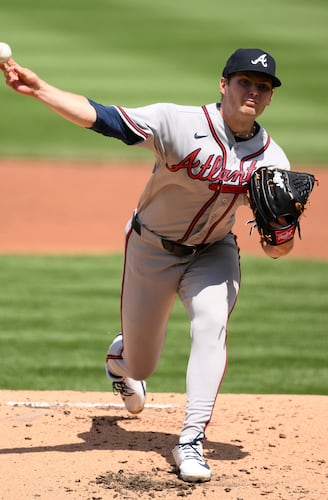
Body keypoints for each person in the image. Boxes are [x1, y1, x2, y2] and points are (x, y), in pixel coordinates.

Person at [2, 48, 293, 482]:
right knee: (141, 366)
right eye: (244, 82)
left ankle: (190, 440)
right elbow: (103, 118)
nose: (253, 91)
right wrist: (41, 89)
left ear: (269, 98)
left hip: (213, 253)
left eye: (263, 87)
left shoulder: (273, 161)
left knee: (211, 323)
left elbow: (276, 251)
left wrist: (282, 233)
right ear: (223, 85)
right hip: (150, 250)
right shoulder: (178, 122)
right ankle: (120, 360)